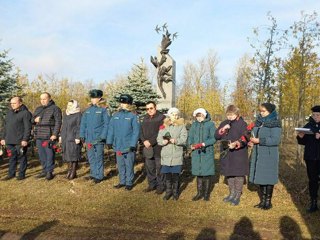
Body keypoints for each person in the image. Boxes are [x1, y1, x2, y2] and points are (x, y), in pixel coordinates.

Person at [248, 103, 281, 210]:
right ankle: (262, 201)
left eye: (263, 111)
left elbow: (276, 140)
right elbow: (254, 134)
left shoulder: (275, 123)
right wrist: (252, 141)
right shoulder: (259, 122)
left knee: (269, 178)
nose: (261, 113)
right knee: (262, 177)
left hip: (270, 154)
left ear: (270, 112)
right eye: (260, 111)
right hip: (259, 153)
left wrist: (259, 141)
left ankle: (268, 202)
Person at [214, 105, 249, 205]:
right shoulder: (224, 123)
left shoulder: (242, 124)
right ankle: (231, 193)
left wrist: (237, 143)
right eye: (228, 115)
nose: (229, 117)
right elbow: (216, 136)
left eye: (232, 115)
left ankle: (237, 195)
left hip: (238, 153)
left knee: (238, 174)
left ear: (237, 114)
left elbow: (246, 138)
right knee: (229, 173)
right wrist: (222, 130)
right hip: (227, 153)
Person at [107, 94, 140, 191]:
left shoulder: (133, 116)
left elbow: (136, 131)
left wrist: (133, 144)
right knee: (120, 164)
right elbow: (111, 129)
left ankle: (129, 182)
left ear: (129, 104)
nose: (122, 104)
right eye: (121, 102)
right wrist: (109, 141)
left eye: (124, 103)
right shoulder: (116, 115)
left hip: (128, 145)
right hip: (118, 144)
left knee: (129, 164)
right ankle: (122, 181)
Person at [157, 107, 187, 200]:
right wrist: (163, 142)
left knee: (175, 176)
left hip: (176, 155)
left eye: (176, 114)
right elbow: (158, 139)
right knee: (167, 176)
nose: (175, 116)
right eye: (173, 114)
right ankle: (168, 192)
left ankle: (175, 193)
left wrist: (176, 140)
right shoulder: (163, 126)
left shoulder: (181, 126)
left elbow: (184, 139)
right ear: (169, 115)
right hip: (166, 155)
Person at [80, 90, 110, 184]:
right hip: (89, 138)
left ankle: (99, 176)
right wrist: (82, 134)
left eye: (95, 98)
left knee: (98, 157)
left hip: (98, 138)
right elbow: (83, 123)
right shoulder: (88, 110)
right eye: (92, 98)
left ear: (99, 98)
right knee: (91, 157)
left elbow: (107, 124)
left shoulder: (104, 110)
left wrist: (103, 136)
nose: (93, 100)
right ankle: (93, 174)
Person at [0, 97, 32, 180]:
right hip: (9, 140)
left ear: (20, 103)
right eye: (11, 103)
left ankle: (21, 174)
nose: (12, 105)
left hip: (20, 141)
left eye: (14, 103)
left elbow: (27, 128)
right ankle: (11, 174)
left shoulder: (26, 113)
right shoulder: (9, 113)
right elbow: (5, 127)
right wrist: (3, 138)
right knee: (11, 158)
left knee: (22, 157)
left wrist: (25, 139)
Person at [32, 92, 62, 180]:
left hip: (49, 135)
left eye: (44, 99)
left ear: (49, 98)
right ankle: (44, 170)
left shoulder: (55, 108)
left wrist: (55, 134)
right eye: (41, 99)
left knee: (49, 154)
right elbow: (31, 120)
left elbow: (58, 122)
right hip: (39, 135)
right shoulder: (38, 109)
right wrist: (34, 119)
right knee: (41, 154)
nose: (42, 101)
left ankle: (49, 172)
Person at [188, 108, 216, 201]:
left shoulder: (211, 124)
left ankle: (206, 194)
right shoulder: (194, 125)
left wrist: (204, 144)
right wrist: (191, 144)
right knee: (198, 173)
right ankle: (199, 193)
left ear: (205, 115)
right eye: (197, 116)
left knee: (206, 173)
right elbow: (190, 136)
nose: (199, 118)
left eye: (201, 116)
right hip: (196, 153)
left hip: (206, 152)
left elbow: (214, 138)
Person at [297, 105, 320, 213]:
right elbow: (303, 142)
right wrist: (300, 137)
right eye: (314, 115)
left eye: (318, 115)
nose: (315, 117)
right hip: (310, 157)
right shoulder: (308, 125)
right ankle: (313, 203)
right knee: (313, 180)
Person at [140, 101, 166, 194]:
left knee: (159, 168)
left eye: (151, 108)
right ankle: (152, 185)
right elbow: (141, 131)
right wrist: (144, 141)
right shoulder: (144, 118)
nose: (149, 110)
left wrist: (150, 141)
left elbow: (160, 132)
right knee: (149, 168)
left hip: (158, 147)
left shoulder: (162, 118)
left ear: (155, 108)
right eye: (147, 109)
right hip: (147, 147)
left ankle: (161, 186)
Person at [60, 100, 82, 180]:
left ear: (75, 106)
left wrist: (78, 137)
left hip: (73, 138)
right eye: (68, 105)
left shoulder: (78, 114)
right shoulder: (66, 113)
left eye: (70, 105)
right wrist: (61, 136)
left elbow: (79, 127)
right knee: (67, 155)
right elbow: (64, 126)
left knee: (73, 155)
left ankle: (73, 172)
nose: (68, 107)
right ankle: (69, 171)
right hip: (65, 138)